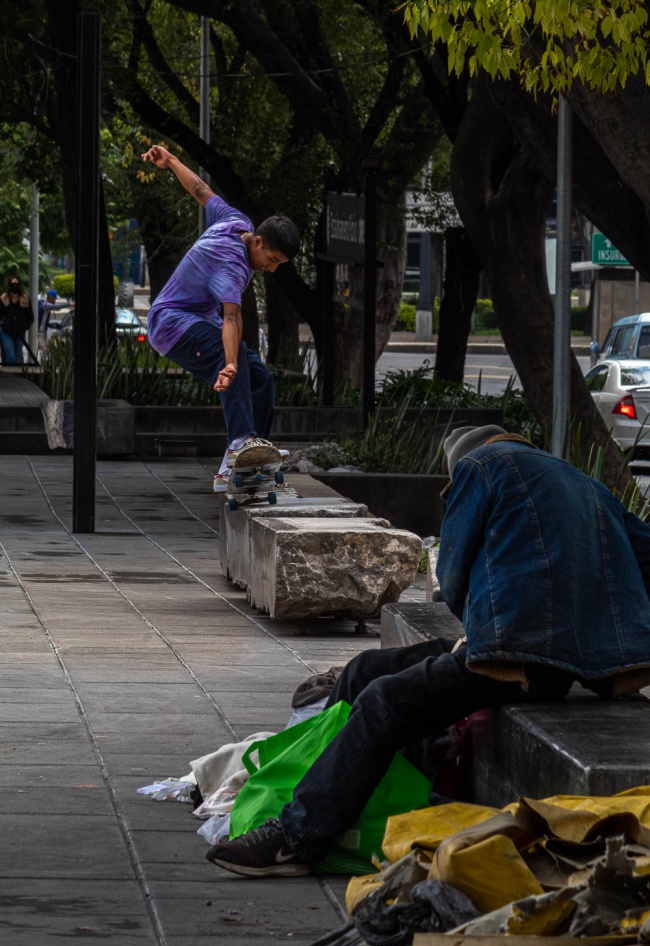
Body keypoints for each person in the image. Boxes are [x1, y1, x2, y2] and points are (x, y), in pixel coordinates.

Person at [205, 424, 650, 877]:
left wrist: (479, 625)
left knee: (384, 702)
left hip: (519, 656)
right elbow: (646, 556)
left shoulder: (480, 467)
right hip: (565, 656)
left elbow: (452, 571)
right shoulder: (583, 482)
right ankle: (323, 791)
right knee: (364, 670)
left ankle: (298, 838)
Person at [141, 144, 300, 490]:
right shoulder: (232, 267)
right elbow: (231, 319)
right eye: (272, 260)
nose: (271, 269)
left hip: (195, 321)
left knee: (262, 378)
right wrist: (229, 363)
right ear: (258, 242)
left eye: (279, 265)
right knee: (238, 356)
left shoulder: (235, 221)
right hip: (170, 324)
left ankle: (254, 456)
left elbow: (201, 190)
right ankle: (238, 448)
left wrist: (172, 161)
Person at [0, 276, 34, 365]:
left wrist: (25, 327)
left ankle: (15, 372)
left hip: (20, 332)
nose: (15, 286)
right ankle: (10, 373)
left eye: (17, 284)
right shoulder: (3, 298)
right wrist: (3, 325)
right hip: (6, 332)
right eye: (13, 284)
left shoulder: (25, 299)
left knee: (18, 357)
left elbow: (30, 317)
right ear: (9, 285)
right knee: (11, 356)